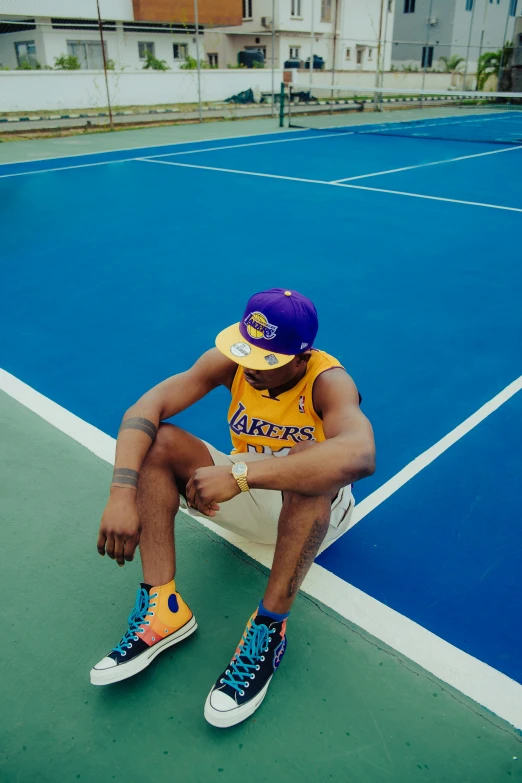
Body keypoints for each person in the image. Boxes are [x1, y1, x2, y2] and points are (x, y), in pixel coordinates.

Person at [91, 288, 375, 728]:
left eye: (268, 362)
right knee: (158, 442)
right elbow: (147, 406)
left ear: (302, 358)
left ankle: (269, 628)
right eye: (249, 353)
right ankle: (163, 608)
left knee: (311, 467)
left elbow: (360, 455)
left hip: (311, 511)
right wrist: (120, 493)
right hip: (245, 494)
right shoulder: (234, 362)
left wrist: (242, 475)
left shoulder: (329, 382)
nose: (251, 368)